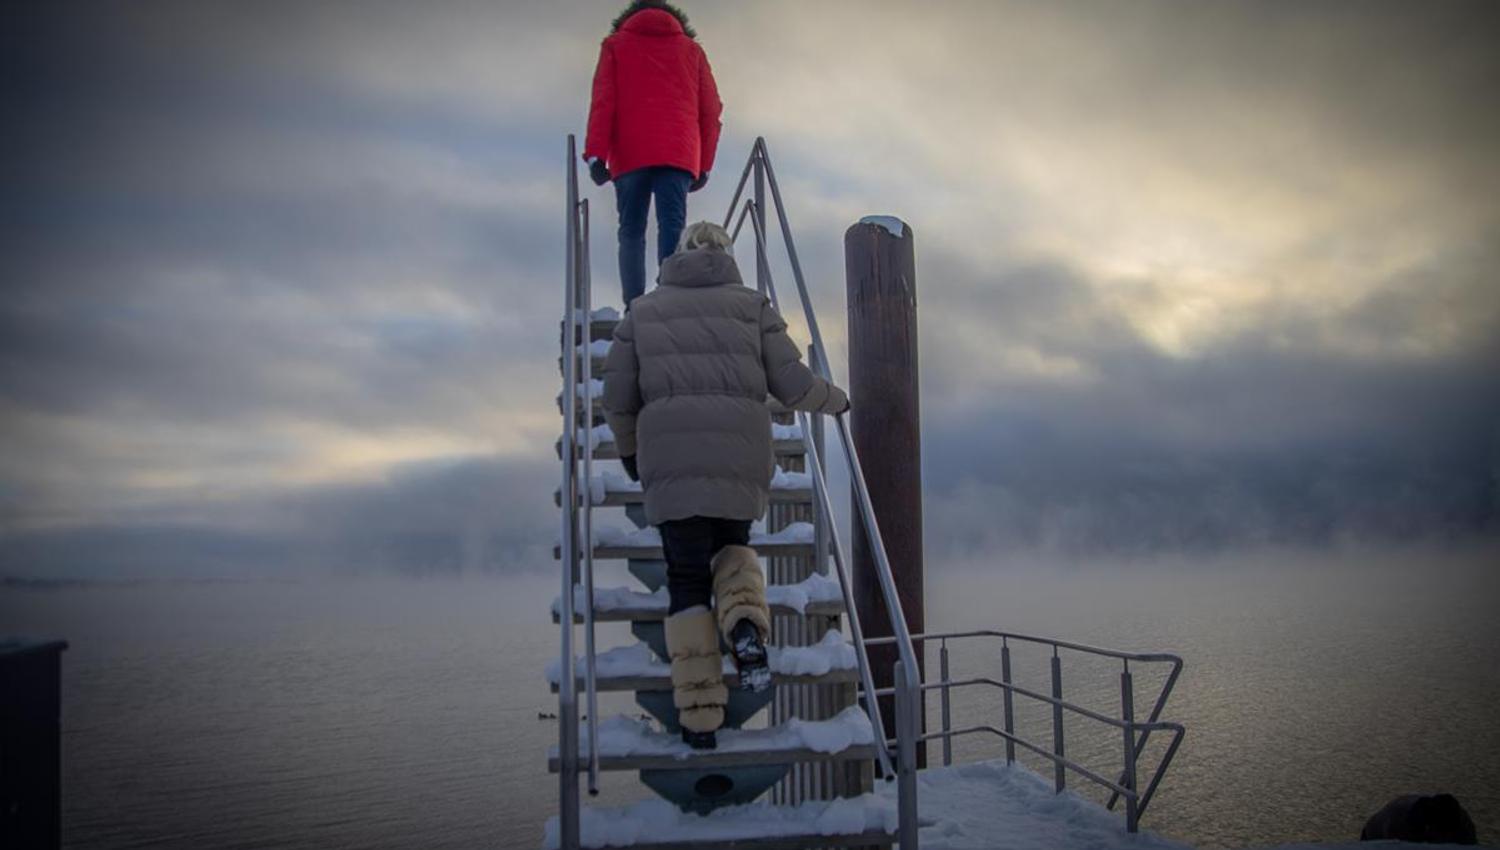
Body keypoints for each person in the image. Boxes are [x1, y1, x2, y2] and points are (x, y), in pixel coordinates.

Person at [602, 222, 849, 749]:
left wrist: (630, 453)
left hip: (669, 465)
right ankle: (743, 626)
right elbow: (794, 386)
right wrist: (838, 401)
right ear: (727, 255)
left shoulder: (642, 312)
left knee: (687, 581)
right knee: (734, 550)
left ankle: (699, 719)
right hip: (739, 460)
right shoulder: (752, 305)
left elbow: (617, 398)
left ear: (679, 254)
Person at [583, 1, 723, 309]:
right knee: (672, 223)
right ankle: (670, 297)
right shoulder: (691, 51)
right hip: (678, 153)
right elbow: (710, 111)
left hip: (630, 153)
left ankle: (634, 306)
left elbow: (603, 101)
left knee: (631, 229)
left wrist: (596, 154)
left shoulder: (615, 46)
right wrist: (705, 164)